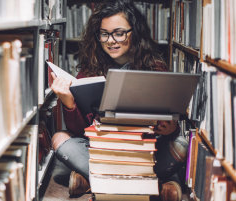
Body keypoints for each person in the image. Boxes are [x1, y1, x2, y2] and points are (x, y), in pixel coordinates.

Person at [50, 1, 188, 201]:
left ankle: (94, 181)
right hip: (105, 151)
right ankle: (154, 185)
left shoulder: (155, 67)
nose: (110, 41)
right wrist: (68, 103)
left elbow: (170, 123)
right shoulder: (89, 70)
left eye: (119, 33)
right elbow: (81, 130)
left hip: (143, 151)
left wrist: (170, 129)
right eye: (104, 33)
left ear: (134, 33)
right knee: (59, 139)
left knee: (181, 144)